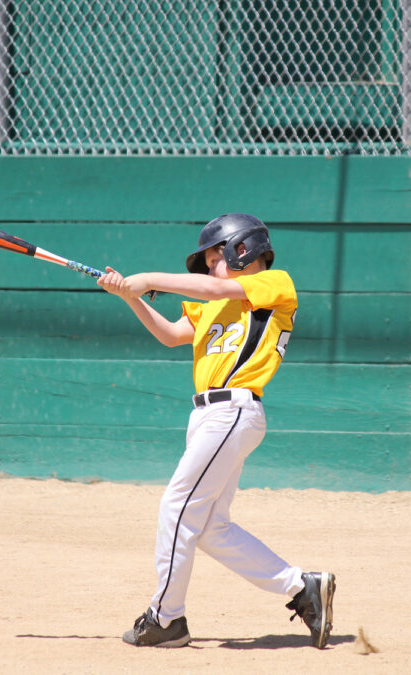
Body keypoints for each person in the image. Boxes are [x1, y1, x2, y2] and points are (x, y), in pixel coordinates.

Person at [96, 212, 336, 649]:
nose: (209, 269)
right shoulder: (211, 306)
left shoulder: (273, 283)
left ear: (240, 250)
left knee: (176, 507)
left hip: (233, 410)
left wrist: (147, 278)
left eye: (213, 259)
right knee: (209, 527)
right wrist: (129, 295)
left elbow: (219, 286)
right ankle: (302, 587)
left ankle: (166, 618)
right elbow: (171, 334)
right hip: (208, 418)